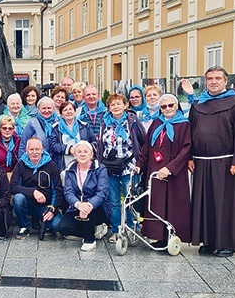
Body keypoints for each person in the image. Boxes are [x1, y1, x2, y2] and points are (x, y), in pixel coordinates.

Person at [189, 66, 235, 257]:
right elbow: (189, 132)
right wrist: (189, 157)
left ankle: (226, 242)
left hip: (226, 163)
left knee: (225, 204)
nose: (213, 81)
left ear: (226, 81)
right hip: (201, 162)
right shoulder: (198, 104)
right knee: (205, 203)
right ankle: (208, 241)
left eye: (218, 78)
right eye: (210, 78)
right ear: (205, 81)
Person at [135, 94, 191, 246]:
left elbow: (186, 149)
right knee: (156, 203)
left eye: (170, 105)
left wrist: (170, 168)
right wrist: (140, 164)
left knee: (174, 204)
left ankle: (173, 236)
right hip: (155, 170)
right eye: (163, 107)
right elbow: (147, 146)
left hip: (174, 172)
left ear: (176, 105)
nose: (167, 109)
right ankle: (159, 237)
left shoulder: (184, 124)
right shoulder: (156, 123)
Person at [97, 93, 145, 243]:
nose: (116, 107)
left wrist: (139, 164)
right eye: (112, 104)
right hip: (110, 167)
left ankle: (130, 228)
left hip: (129, 166)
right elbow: (101, 145)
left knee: (129, 199)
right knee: (114, 201)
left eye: (119, 103)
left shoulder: (133, 121)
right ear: (109, 108)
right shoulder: (105, 122)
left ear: (126, 106)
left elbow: (143, 141)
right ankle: (117, 229)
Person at [59, 141, 110, 251]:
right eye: (79, 152)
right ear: (75, 155)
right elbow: (68, 192)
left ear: (91, 155)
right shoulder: (70, 170)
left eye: (86, 152)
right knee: (63, 228)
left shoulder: (100, 169)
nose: (82, 154)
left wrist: (88, 205)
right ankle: (93, 229)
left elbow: (102, 192)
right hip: (77, 206)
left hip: (97, 207)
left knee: (88, 215)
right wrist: (78, 205)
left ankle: (89, 240)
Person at [11, 137, 63, 240]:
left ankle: (39, 220)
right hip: (27, 203)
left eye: (37, 149)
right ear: (26, 150)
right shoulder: (20, 165)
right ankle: (24, 226)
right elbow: (13, 187)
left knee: (57, 226)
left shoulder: (51, 165)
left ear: (42, 149)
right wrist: (33, 192)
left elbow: (57, 190)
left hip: (45, 206)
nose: (34, 152)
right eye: (31, 149)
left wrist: (52, 210)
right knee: (18, 198)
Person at [48, 101, 97, 170]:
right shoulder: (56, 127)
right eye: (65, 110)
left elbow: (94, 141)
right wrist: (69, 149)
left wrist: (85, 149)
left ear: (75, 111)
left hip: (84, 163)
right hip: (63, 165)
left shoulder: (84, 126)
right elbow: (53, 145)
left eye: (70, 109)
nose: (68, 112)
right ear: (61, 114)